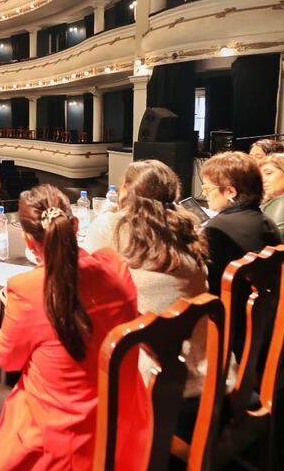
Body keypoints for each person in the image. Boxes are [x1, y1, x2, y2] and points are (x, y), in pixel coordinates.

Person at [0, 185, 147, 470]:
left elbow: (7, 359)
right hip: (128, 426)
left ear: (29, 242)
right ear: (75, 224)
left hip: (68, 448)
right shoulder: (115, 265)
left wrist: (12, 309)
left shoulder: (27, 290)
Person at [83, 160, 212, 397]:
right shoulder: (189, 226)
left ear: (126, 191)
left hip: (154, 378)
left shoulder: (111, 226)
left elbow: (84, 280)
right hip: (208, 366)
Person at [199, 152, 282, 293]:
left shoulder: (217, 228)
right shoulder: (266, 221)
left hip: (231, 310)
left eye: (207, 188)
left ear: (230, 191)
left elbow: (206, 281)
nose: (204, 194)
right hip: (262, 306)